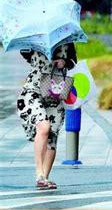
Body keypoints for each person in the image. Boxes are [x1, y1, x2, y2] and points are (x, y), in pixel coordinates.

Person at [17, 43, 77, 190]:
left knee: (52, 136)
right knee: (44, 127)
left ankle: (45, 177)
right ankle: (39, 174)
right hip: (33, 90)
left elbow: (73, 61)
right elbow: (25, 53)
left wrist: (64, 62)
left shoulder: (67, 41)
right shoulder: (35, 38)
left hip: (55, 93)